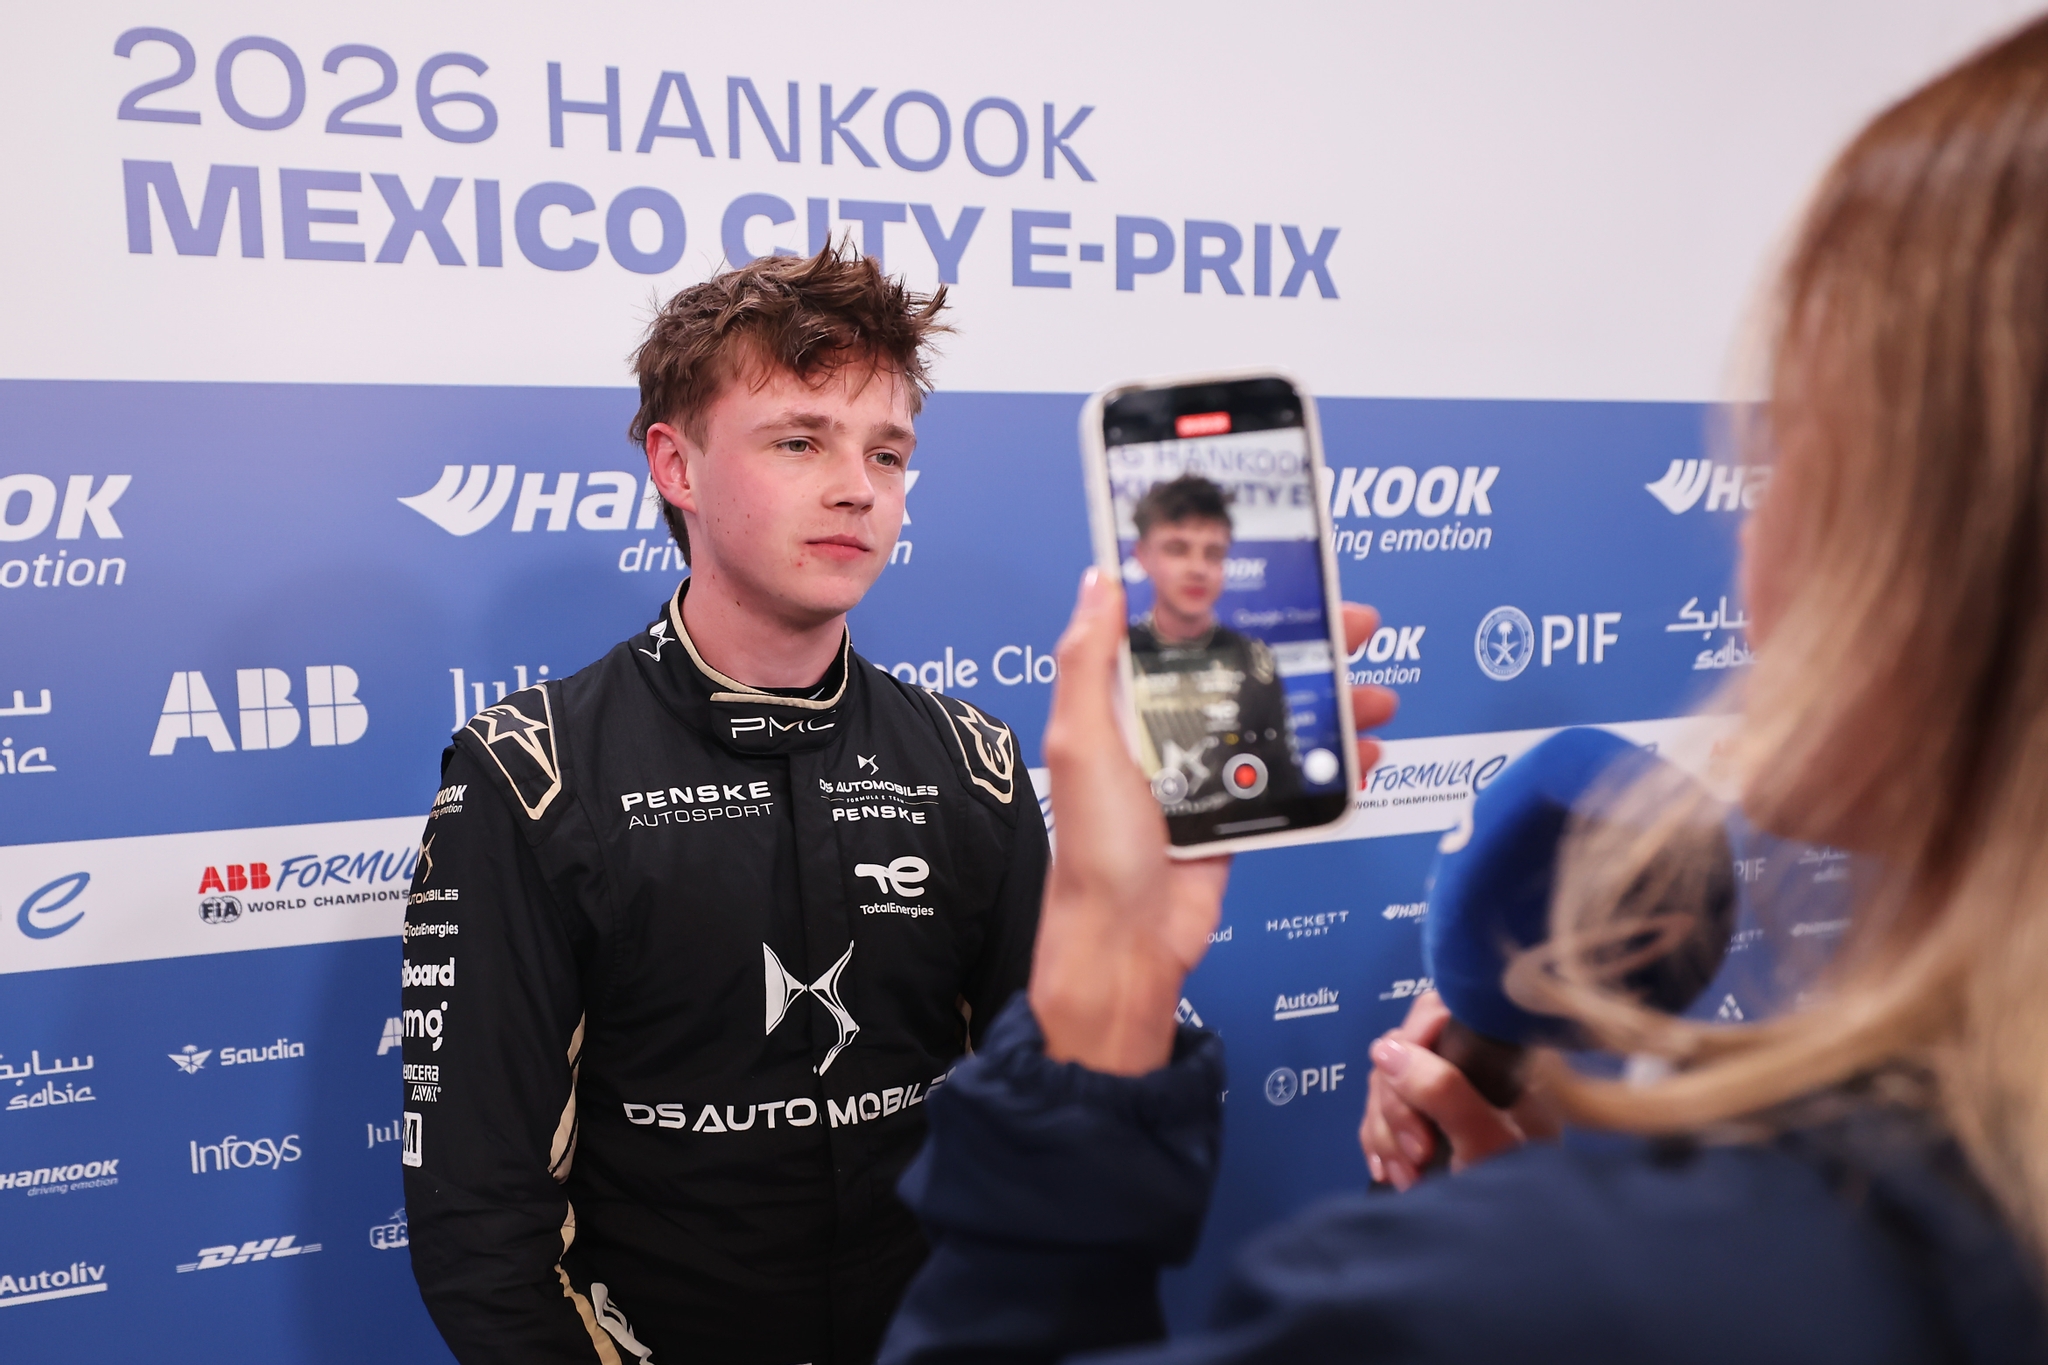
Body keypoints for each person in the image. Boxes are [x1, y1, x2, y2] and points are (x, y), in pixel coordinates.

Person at [877, 18, 2048, 1364]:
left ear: (1938, 544)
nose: (1746, 523)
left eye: (1797, 450)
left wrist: (1105, 981)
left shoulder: (1528, 1297)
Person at [400, 245, 1048, 1365]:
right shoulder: (530, 777)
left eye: (886, 452)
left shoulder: (972, 764)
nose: (857, 488)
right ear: (677, 465)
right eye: (799, 441)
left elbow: (1050, 1129)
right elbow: (480, 1227)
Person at [1125, 475, 1297, 812]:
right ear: (1142, 556)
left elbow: (1282, 781)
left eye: (1213, 554)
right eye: (1177, 549)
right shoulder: (1114, 658)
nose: (1198, 569)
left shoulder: (1254, 658)